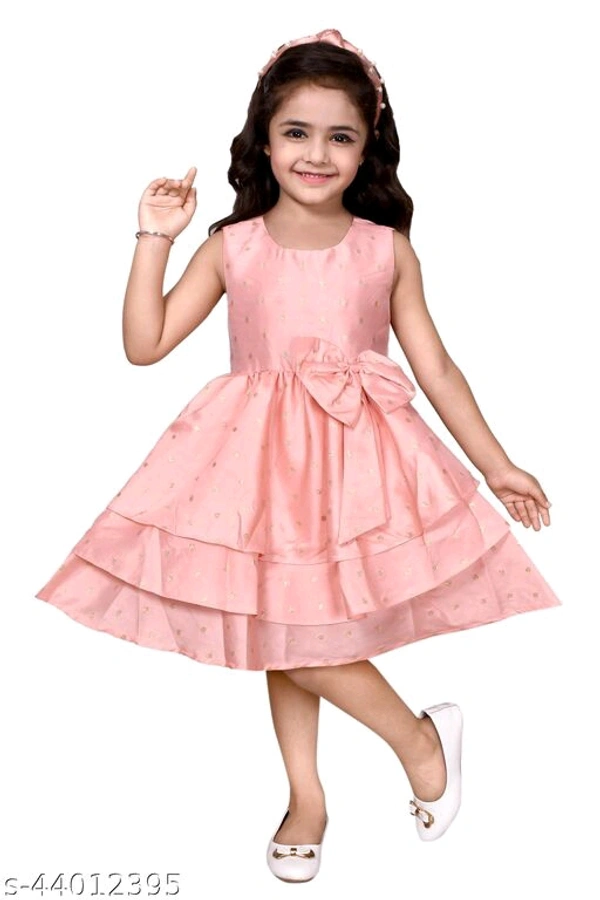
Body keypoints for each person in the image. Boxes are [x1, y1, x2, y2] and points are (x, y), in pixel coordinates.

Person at [35, 28, 562, 883]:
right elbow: (145, 342)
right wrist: (153, 236)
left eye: (340, 136)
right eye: (297, 132)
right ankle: (312, 793)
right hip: (254, 464)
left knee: (298, 625)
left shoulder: (383, 249)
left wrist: (497, 464)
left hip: (358, 462)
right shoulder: (232, 245)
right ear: (264, 138)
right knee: (282, 624)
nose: (317, 154)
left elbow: (434, 366)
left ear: (367, 148)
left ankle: (417, 743)